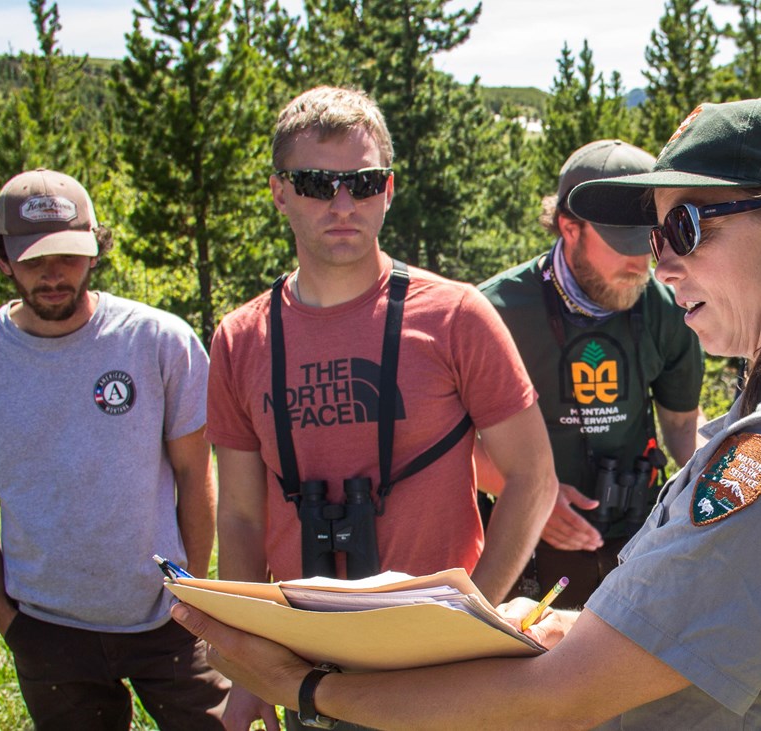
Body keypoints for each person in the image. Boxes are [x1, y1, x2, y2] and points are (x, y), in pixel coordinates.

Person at [173, 98, 761, 728]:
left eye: (686, 227)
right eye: (651, 233)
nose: (660, 262)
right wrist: (571, 626)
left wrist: (303, 686)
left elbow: (558, 698)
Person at [205, 86, 557, 729]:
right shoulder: (240, 338)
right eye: (315, 183)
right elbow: (240, 514)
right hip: (304, 666)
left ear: (389, 190)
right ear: (279, 192)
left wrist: (474, 617)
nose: (343, 204)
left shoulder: (455, 316)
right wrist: (247, 663)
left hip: (440, 670)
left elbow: (534, 478)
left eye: (363, 183)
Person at [0, 169, 228, 730]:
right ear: (3, 260)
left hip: (167, 617)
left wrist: (193, 596)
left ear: (95, 252)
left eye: (68, 255)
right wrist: (9, 621)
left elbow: (193, 469)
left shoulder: (158, 341)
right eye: (32, 259)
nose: (52, 274)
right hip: (48, 627)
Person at [477, 139, 705, 607]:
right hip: (525, 545)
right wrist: (526, 494)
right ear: (570, 228)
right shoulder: (493, 312)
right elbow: (450, 443)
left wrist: (717, 494)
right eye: (622, 244)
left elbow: (682, 425)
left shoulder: (670, 308)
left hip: (635, 537)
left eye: (651, 241)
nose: (641, 264)